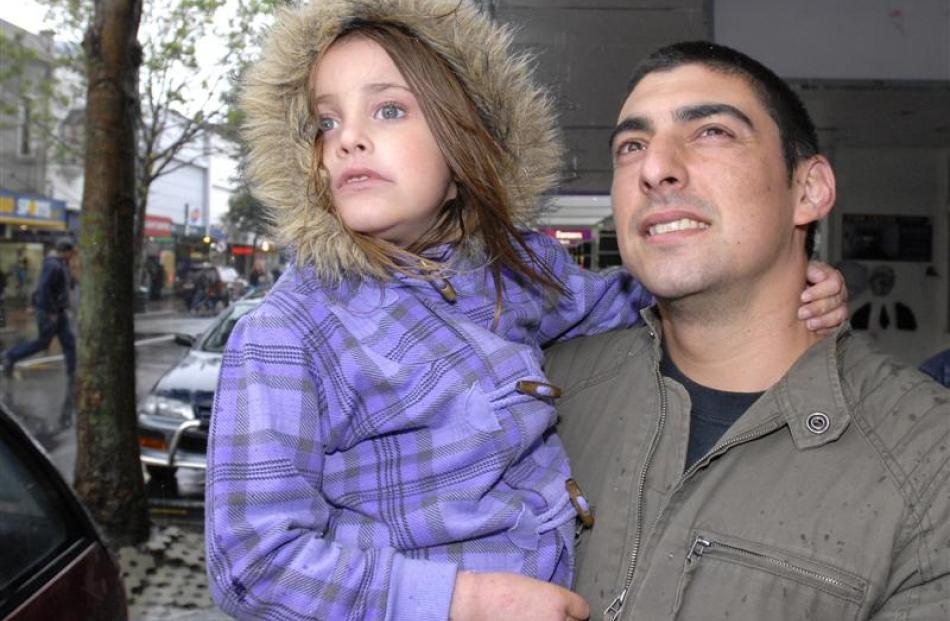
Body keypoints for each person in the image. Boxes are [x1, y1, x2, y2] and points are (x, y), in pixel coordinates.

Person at [204, 5, 846, 620]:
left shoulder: (515, 274)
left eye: (390, 109)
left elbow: (636, 297)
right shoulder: (290, 332)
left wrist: (788, 282)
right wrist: (462, 603)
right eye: (325, 123)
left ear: (462, 150)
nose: (348, 141)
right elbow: (251, 560)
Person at [545, 41, 950, 620]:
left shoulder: (929, 464)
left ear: (808, 191)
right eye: (631, 146)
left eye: (711, 131)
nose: (655, 168)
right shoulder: (536, 398)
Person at [3, 238, 77, 381]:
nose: (72, 255)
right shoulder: (53, 265)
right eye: (71, 252)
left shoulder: (59, 264)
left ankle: (72, 373)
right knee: (43, 343)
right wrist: (51, 311)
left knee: (69, 342)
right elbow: (44, 288)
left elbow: (43, 288)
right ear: (66, 252)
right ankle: (11, 355)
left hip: (58, 312)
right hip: (51, 312)